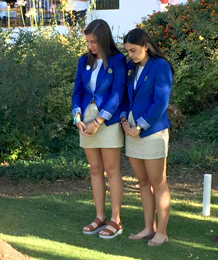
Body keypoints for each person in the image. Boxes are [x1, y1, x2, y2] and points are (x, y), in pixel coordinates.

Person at [71, 19, 126, 239]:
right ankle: (99, 216)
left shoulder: (118, 60)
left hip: (108, 121)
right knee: (94, 170)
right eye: (88, 42)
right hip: (86, 120)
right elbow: (77, 92)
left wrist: (99, 122)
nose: (91, 46)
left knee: (112, 170)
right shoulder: (83, 61)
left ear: (103, 38)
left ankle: (116, 219)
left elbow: (117, 94)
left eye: (94, 41)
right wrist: (76, 117)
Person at [122, 28, 173, 247]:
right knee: (142, 183)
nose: (130, 55)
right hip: (131, 132)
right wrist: (125, 121)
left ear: (145, 46)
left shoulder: (160, 66)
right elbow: (126, 97)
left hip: (152, 132)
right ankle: (148, 228)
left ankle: (161, 232)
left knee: (158, 183)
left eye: (133, 50)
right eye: (128, 51)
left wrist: (140, 127)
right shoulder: (131, 68)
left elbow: (160, 102)